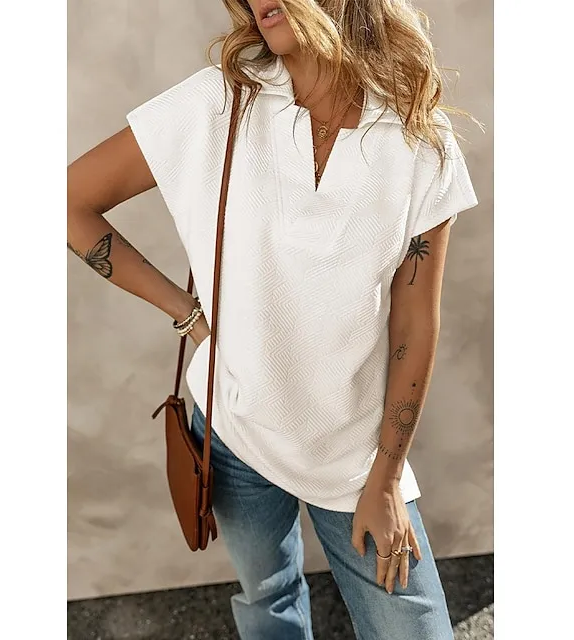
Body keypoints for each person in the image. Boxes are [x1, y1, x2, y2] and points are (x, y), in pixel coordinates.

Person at [67, 1, 480, 638]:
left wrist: (387, 475)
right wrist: (187, 314)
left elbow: (414, 326)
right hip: (233, 429)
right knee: (269, 600)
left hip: (353, 456)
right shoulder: (221, 102)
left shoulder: (419, 141)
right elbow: (69, 202)